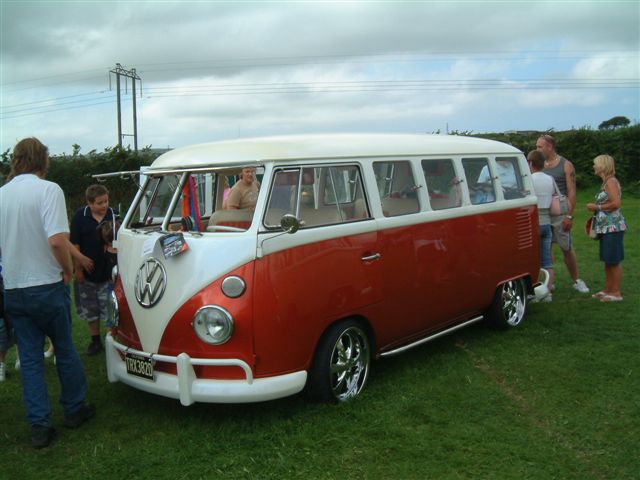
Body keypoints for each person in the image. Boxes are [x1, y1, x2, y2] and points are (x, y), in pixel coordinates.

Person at [0, 137, 95, 448]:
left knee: (29, 357)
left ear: (16, 160)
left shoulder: (2, 194)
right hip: (46, 285)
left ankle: (39, 426)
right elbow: (56, 240)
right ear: (43, 159)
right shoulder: (49, 190)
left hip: (14, 287)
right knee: (64, 347)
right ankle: (74, 409)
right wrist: (67, 269)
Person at [536, 134, 589, 293]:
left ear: (550, 146)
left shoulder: (566, 165)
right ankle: (549, 283)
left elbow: (571, 191)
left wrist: (569, 216)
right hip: (544, 213)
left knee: (566, 248)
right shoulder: (539, 165)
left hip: (560, 213)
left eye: (540, 146)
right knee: (547, 248)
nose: (537, 149)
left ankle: (576, 280)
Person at [70, 184, 117, 355]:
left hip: (109, 272)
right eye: (99, 203)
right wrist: (78, 269)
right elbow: (75, 243)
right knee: (90, 307)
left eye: (106, 201)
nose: (104, 205)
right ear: (89, 203)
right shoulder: (79, 216)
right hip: (88, 272)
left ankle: (111, 339)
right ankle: (95, 340)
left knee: (110, 307)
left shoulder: (114, 215)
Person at [586, 155, 627, 302]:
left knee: (613, 261)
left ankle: (616, 293)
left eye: (595, 164)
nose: (594, 167)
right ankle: (608, 290)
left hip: (613, 227)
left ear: (603, 165)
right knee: (608, 260)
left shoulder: (611, 182)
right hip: (605, 228)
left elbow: (616, 203)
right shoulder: (606, 182)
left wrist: (596, 207)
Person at [527, 150, 555, 301]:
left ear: (530, 163)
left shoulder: (529, 179)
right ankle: (548, 292)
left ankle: (535, 290)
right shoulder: (550, 179)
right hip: (547, 221)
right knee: (547, 260)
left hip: (534, 221)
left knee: (533, 259)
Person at [97, 218, 120, 334]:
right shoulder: (105, 250)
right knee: (111, 312)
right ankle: (111, 333)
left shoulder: (123, 249)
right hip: (111, 285)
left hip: (122, 286)